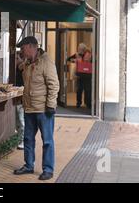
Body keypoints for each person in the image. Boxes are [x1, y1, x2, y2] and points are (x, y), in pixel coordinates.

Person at [13, 36, 59, 181]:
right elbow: (26, 72)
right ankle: (28, 165)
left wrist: (51, 105)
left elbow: (54, 84)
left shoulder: (46, 62)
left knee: (47, 141)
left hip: (44, 110)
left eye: (23, 48)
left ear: (31, 47)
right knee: (28, 139)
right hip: (29, 108)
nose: (21, 51)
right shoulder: (27, 62)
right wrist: (18, 62)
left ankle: (48, 169)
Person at [67, 43, 92, 108]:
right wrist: (74, 61)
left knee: (87, 90)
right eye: (79, 48)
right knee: (79, 90)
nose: (79, 49)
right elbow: (69, 59)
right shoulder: (77, 54)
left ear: (83, 49)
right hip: (80, 75)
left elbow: (91, 62)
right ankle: (79, 103)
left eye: (80, 48)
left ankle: (87, 103)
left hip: (87, 75)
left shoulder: (88, 54)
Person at [16, 51, 25, 150]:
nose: (15, 61)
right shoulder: (14, 69)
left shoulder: (23, 69)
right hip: (17, 97)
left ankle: (22, 140)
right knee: (18, 120)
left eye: (17, 59)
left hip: (22, 97)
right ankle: (19, 139)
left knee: (21, 120)